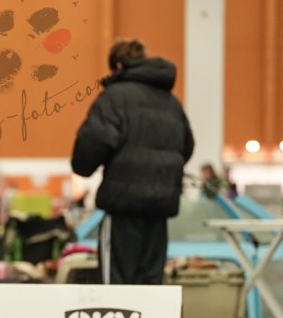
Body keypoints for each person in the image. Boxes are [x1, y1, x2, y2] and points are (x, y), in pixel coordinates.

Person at [70, 38, 194, 285]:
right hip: (159, 210)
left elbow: (93, 144)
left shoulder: (114, 98)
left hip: (122, 207)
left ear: (118, 64)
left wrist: (82, 166)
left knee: (116, 286)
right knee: (151, 285)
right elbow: (187, 147)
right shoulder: (171, 103)